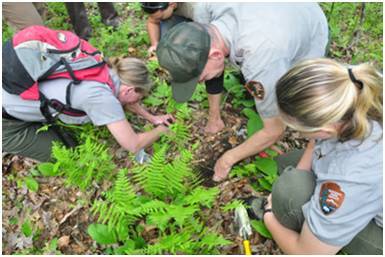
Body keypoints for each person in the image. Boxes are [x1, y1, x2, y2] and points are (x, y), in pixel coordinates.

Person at [156, 3, 329, 181]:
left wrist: (227, 159)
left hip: (309, 24)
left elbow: (275, 130)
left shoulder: (261, 58)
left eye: (200, 77)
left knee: (293, 102)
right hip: (276, 15)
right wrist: (214, 118)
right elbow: (213, 59)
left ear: (215, 55)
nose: (200, 82)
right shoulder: (206, 18)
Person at [247, 58, 383, 254]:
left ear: (325, 129)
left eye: (297, 129)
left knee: (288, 195)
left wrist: (269, 214)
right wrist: (299, 173)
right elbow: (314, 144)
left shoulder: (353, 173)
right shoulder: (349, 84)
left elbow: (308, 254)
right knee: (288, 166)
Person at [2, 57, 174, 162]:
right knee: (65, 155)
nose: (139, 101)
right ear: (129, 89)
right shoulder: (100, 97)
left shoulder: (100, 65)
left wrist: (152, 118)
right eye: (140, 97)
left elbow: (127, 100)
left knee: (66, 140)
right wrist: (162, 129)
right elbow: (133, 145)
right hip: (7, 123)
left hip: (13, 88)